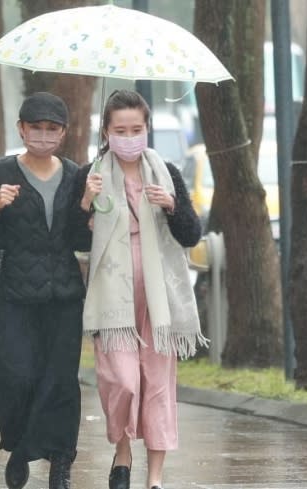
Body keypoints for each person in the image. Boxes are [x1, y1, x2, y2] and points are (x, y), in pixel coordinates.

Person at [80, 89, 206, 489]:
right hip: (112, 299)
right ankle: (122, 450)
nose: (130, 137)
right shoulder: (93, 174)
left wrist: (171, 204)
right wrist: (86, 200)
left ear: (147, 128)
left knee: (156, 386)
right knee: (121, 381)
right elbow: (74, 240)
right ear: (106, 131)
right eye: (121, 129)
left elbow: (190, 234)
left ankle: (154, 478)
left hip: (160, 301)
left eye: (137, 129)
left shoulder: (166, 171)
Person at [0, 92, 90, 489]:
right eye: (35, 127)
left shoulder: (76, 175)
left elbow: (79, 240)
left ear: (64, 133)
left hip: (63, 296)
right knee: (12, 378)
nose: (43, 135)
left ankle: (60, 461)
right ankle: (19, 448)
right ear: (21, 129)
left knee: (60, 382)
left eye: (52, 128)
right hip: (11, 298)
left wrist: (87, 206)